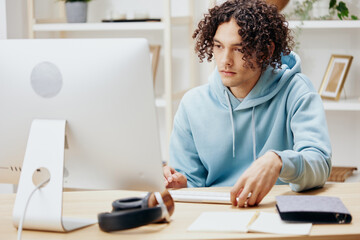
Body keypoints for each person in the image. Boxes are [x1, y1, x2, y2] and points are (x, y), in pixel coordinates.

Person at [163, 0, 332, 207]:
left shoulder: (296, 91)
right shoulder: (192, 104)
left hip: (278, 210)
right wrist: (181, 185)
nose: (225, 60)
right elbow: (191, 182)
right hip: (217, 215)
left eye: (239, 49)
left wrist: (278, 161)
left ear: (266, 51)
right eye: (218, 46)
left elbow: (320, 164)